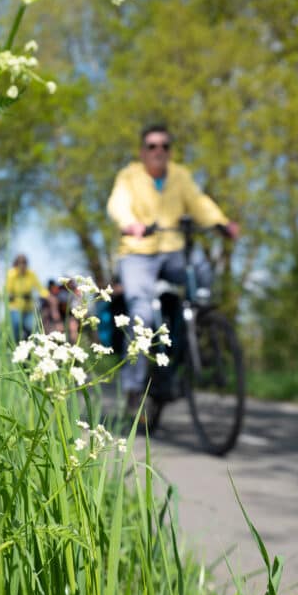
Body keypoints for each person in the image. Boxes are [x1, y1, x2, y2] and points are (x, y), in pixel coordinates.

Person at [106, 123, 239, 411]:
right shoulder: (129, 176)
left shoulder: (180, 176)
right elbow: (118, 203)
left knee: (201, 272)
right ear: (143, 151)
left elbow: (199, 203)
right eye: (152, 146)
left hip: (172, 249)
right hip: (138, 252)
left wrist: (221, 222)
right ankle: (133, 386)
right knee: (140, 315)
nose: (158, 151)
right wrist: (130, 224)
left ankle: (197, 327)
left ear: (171, 151)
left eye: (164, 146)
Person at [5, 254, 46, 342]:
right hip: (15, 307)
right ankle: (16, 344)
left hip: (28, 308)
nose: (22, 265)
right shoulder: (12, 274)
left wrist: (46, 295)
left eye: (24, 263)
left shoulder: (31, 274)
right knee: (16, 325)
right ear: (16, 264)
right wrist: (10, 295)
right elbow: (7, 289)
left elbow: (40, 288)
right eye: (20, 263)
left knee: (34, 328)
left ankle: (35, 350)